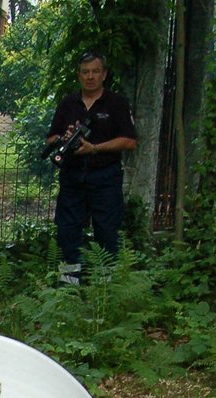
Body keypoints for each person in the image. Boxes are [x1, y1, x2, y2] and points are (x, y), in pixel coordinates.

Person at [46, 51, 138, 284]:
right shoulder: (68, 103)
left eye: (95, 71)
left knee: (107, 230)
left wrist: (94, 148)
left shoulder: (117, 103)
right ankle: (68, 285)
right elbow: (50, 139)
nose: (90, 77)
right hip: (72, 177)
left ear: (104, 74)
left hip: (105, 177)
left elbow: (130, 141)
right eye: (85, 72)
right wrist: (64, 139)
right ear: (79, 75)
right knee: (67, 229)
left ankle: (104, 287)